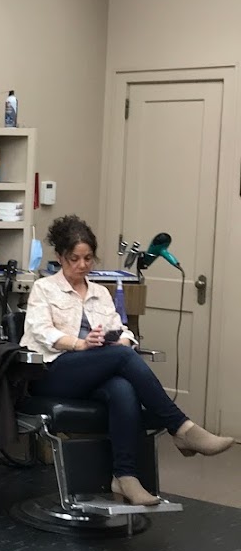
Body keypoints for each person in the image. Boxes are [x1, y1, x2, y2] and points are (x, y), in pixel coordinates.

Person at [21, 215, 233, 506]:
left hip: (92, 372)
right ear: (60, 257)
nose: (82, 265)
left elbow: (122, 330)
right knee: (122, 357)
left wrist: (119, 340)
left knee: (122, 387)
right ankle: (181, 428)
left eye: (88, 258)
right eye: (74, 259)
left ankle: (125, 476)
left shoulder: (99, 293)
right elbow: (42, 331)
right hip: (53, 372)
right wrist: (81, 343)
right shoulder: (44, 288)